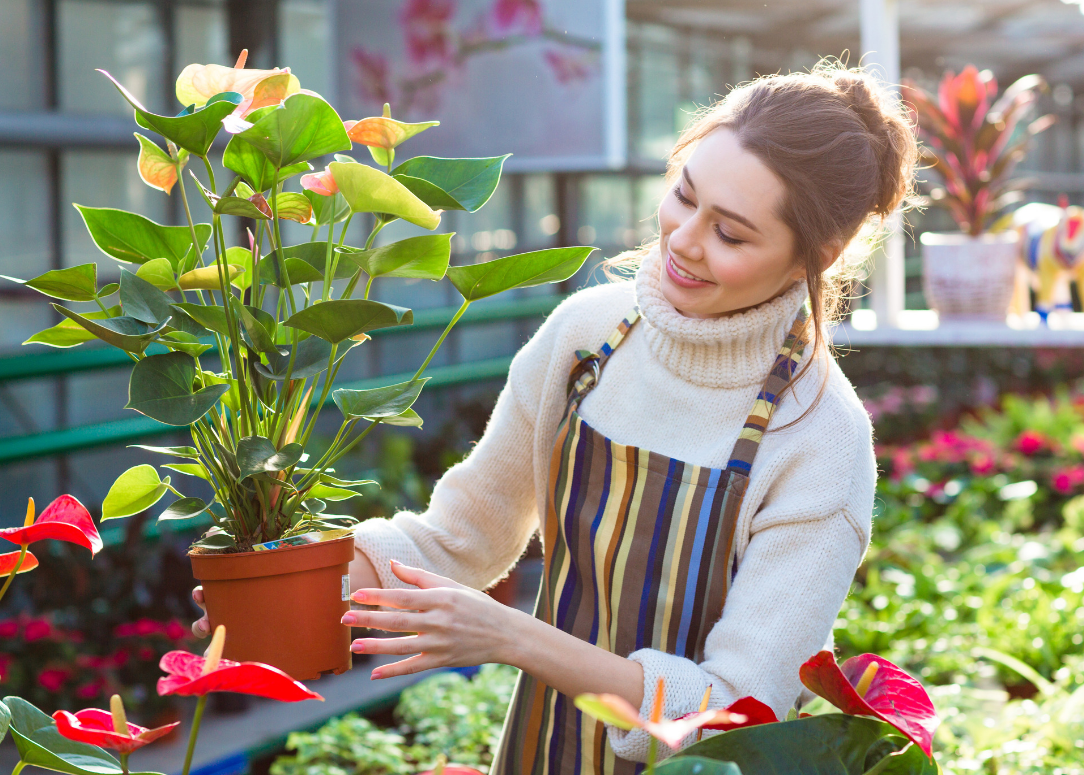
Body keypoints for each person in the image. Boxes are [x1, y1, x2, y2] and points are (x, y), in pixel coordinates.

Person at [193, 64, 916, 773]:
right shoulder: (588, 338)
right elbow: (463, 535)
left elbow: (731, 718)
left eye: (730, 233)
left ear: (811, 258)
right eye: (684, 195)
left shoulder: (820, 439)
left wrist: (514, 636)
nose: (684, 240)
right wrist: (287, 590)